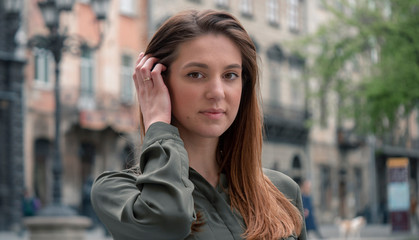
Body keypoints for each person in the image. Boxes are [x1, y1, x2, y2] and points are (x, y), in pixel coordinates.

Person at [91, 9, 306, 240]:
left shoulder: (282, 191)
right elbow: (165, 221)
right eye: (196, 74)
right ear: (157, 81)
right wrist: (157, 123)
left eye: (230, 75)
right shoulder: (119, 193)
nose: (217, 92)